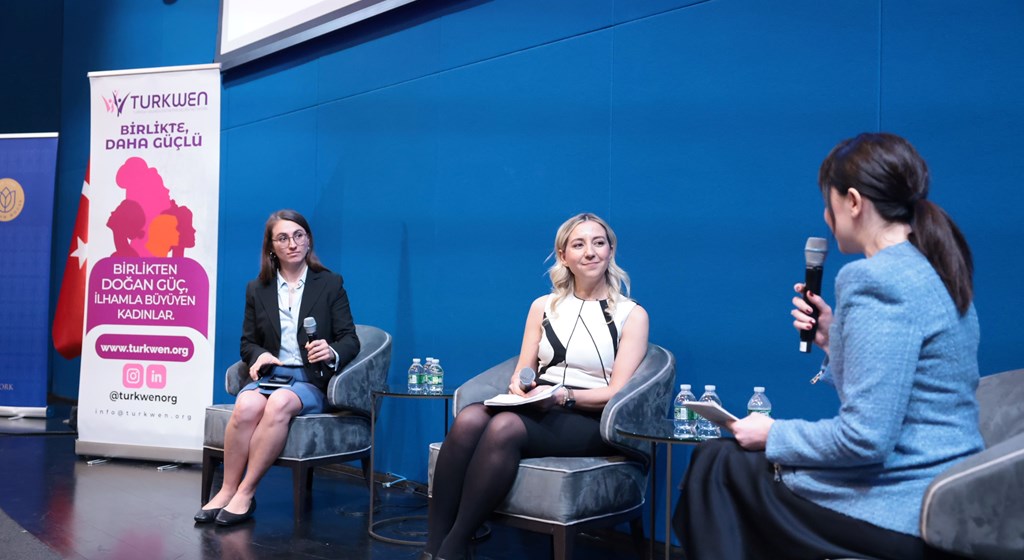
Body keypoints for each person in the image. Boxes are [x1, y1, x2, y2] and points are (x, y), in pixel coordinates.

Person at [674, 133, 983, 560]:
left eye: (828, 202)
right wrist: (833, 339)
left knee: (719, 462)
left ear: (852, 202)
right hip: (949, 490)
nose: (825, 215)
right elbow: (899, 393)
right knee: (727, 463)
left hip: (902, 504)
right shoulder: (936, 269)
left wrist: (773, 433)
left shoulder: (874, 279)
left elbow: (864, 440)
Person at [422, 213, 650, 560]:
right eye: (579, 244)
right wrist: (520, 385)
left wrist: (564, 397)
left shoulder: (631, 315)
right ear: (563, 256)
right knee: (469, 418)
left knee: (505, 427)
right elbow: (524, 368)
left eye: (599, 243)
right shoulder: (543, 306)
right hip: (539, 405)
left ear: (611, 250)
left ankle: (453, 547)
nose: (590, 252)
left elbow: (617, 391)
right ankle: (433, 546)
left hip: (592, 418)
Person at [194, 209, 359, 526]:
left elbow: (350, 339)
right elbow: (247, 342)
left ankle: (246, 493)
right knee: (245, 405)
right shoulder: (258, 288)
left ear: (308, 240)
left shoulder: (330, 283)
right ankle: (226, 490)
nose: (292, 244)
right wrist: (258, 356)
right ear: (271, 247)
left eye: (298, 235)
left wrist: (331, 351)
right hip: (272, 376)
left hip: (310, 380)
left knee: (280, 402)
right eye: (283, 238)